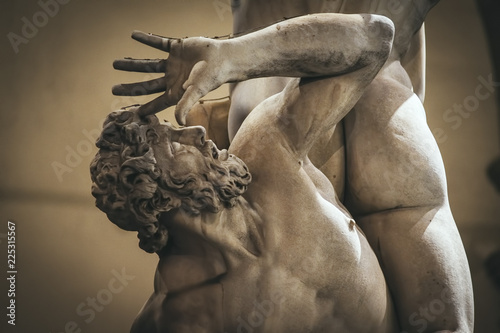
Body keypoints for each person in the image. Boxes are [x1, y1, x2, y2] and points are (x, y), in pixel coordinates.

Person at [104, 1, 474, 332]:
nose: (196, 130)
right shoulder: (176, 318)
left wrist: (231, 57)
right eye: (174, 143)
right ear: (156, 195)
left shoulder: (258, 150)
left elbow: (375, 36)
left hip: (341, 179)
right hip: (381, 212)